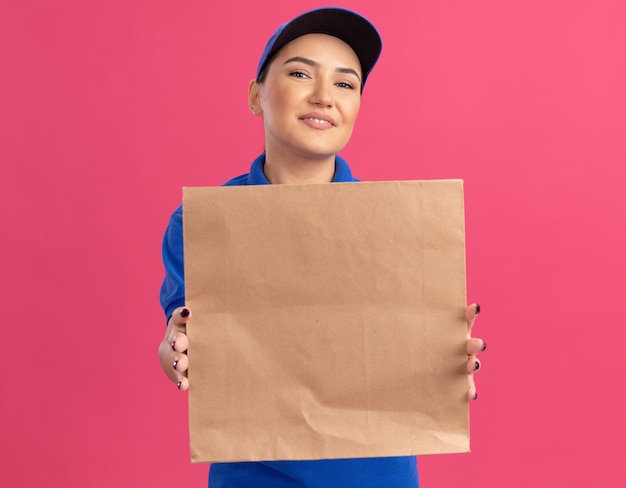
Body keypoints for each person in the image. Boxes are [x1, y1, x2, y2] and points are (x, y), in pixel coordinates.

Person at [158, 7, 486, 488]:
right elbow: (178, 343)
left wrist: (447, 366)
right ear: (256, 95)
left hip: (381, 474)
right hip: (254, 473)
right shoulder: (204, 222)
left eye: (345, 84)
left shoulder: (399, 226)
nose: (323, 97)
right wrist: (175, 354)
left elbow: (414, 358)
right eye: (299, 73)